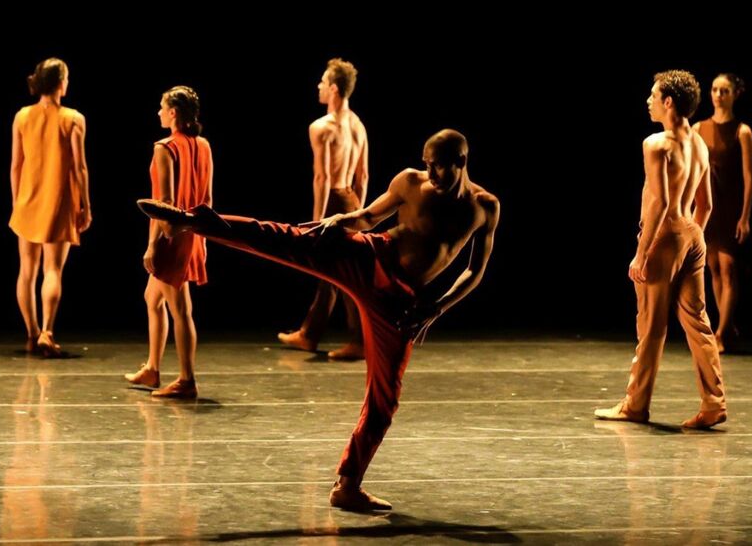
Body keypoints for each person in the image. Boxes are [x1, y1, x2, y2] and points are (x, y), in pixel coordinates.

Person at [137, 128, 499, 510]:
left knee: (385, 399)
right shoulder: (409, 181)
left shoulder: (483, 206)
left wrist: (436, 307)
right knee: (289, 238)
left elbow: (475, 271)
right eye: (428, 166)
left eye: (439, 168)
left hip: (401, 301)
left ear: (461, 161)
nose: (432, 175)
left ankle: (347, 485)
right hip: (371, 257)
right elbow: (369, 217)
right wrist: (342, 219)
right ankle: (194, 222)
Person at [594, 70, 727, 429]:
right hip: (692, 235)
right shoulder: (699, 143)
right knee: (698, 323)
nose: (648, 101)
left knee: (651, 327)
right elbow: (707, 205)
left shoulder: (656, 144)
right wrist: (690, 238)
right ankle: (714, 403)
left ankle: (635, 405)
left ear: (669, 102)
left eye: (653, 95)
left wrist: (643, 252)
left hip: (664, 238)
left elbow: (661, 203)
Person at [124, 86, 213, 399]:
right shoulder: (203, 146)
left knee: (180, 309)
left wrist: (152, 245)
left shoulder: (164, 147)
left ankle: (187, 380)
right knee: (152, 298)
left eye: (161, 107)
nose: (158, 113)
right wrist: (202, 235)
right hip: (194, 232)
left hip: (170, 236)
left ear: (173, 112)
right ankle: (152, 367)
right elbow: (208, 200)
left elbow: (164, 203)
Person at [277, 58, 367, 360]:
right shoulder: (359, 125)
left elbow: (323, 176)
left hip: (331, 199)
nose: (318, 86)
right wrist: (359, 212)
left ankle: (358, 341)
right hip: (351, 198)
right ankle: (309, 334)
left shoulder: (322, 127)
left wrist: (317, 219)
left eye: (322, 82)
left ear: (334, 89)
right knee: (332, 271)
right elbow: (363, 175)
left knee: (343, 273)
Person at [9, 57, 91, 357]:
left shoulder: (22, 116)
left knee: (26, 270)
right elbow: (80, 168)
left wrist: (17, 200)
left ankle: (31, 334)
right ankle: (47, 331)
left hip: (27, 198)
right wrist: (86, 205)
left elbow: (16, 165)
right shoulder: (73, 118)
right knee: (53, 269)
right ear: (60, 83)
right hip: (59, 200)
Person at [693, 73, 752, 353]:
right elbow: (692, 172)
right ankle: (727, 327)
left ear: (735, 94)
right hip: (708, 205)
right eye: (715, 89)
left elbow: (750, 176)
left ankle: (720, 334)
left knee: (729, 268)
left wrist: (745, 216)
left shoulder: (742, 131)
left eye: (725, 90)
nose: (718, 95)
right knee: (714, 269)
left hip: (731, 205)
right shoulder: (698, 128)